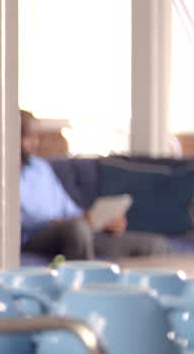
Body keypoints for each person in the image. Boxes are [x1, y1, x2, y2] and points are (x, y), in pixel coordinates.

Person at [19, 110, 170, 260]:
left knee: (154, 245)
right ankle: (85, 282)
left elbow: (68, 208)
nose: (35, 143)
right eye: (28, 136)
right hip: (36, 236)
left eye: (36, 136)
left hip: (76, 233)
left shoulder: (40, 167)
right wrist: (72, 222)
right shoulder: (4, 175)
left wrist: (98, 221)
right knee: (76, 229)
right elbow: (23, 221)